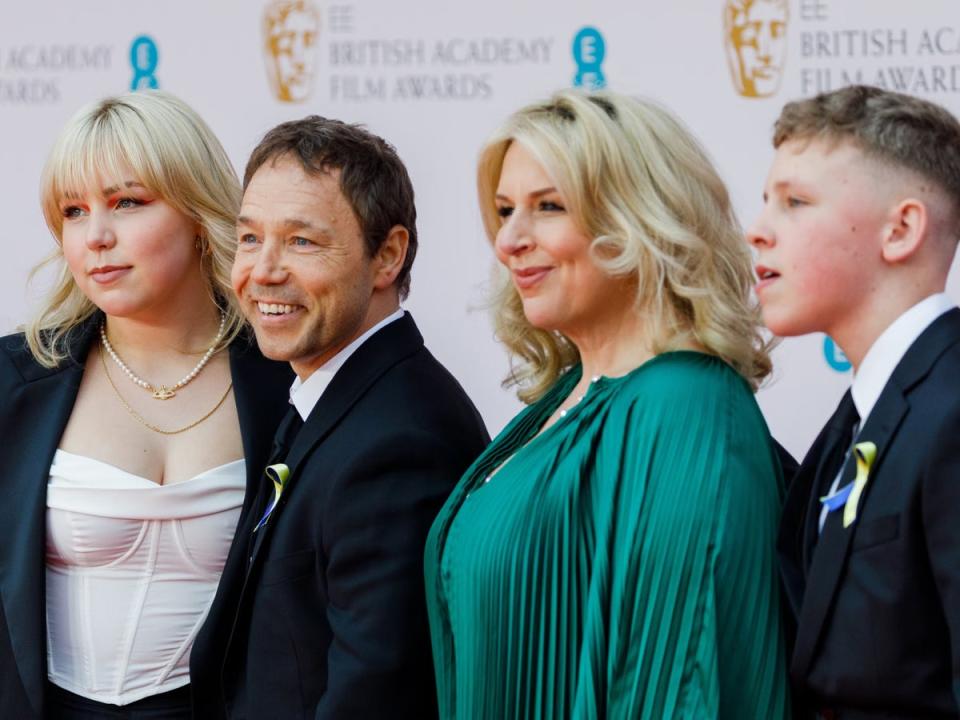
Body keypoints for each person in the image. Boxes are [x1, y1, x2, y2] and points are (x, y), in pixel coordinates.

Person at [424, 88, 791, 719]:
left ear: (638, 217)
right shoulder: (561, 399)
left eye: (549, 207)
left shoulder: (685, 409)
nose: (509, 239)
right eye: (506, 209)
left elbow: (682, 687)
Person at [0, 91, 292, 719]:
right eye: (73, 211)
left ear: (197, 213)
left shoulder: (287, 385)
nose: (96, 236)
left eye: (127, 202)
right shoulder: (11, 384)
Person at [190, 115, 489, 719]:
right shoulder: (326, 394)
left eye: (302, 241)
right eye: (250, 239)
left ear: (388, 256)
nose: (264, 271)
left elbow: (376, 695)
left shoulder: (402, 439)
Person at [750, 84, 960, 717]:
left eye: (795, 202)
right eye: (767, 201)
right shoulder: (856, 421)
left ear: (900, 230)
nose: (757, 231)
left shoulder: (951, 414)